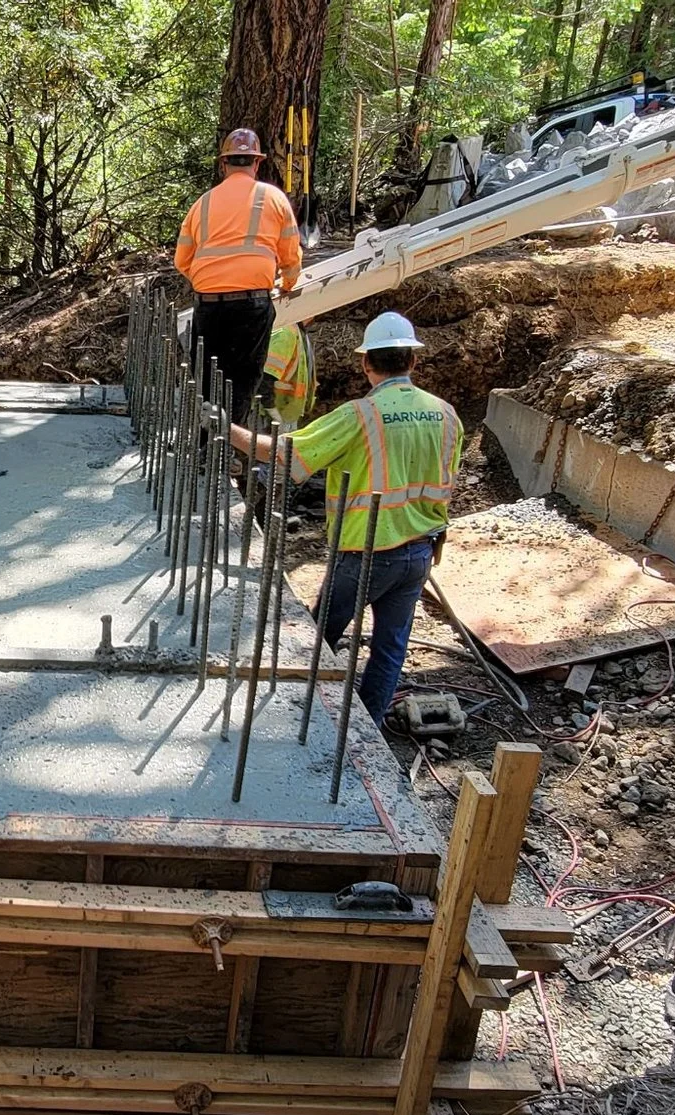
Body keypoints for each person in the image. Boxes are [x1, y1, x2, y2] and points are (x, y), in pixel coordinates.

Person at [227, 311, 459, 727]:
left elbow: (283, 453)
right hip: (421, 551)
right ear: (413, 361)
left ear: (366, 363)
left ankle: (302, 723)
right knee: (390, 647)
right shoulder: (446, 414)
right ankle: (365, 730)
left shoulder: (361, 416)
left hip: (364, 553)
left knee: (315, 642)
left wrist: (227, 430)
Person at [174, 128, 302, 424]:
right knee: (242, 380)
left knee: (207, 377)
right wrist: (288, 284)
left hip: (209, 304)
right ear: (257, 163)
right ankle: (227, 446)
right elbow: (291, 257)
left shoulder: (202, 204)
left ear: (224, 164)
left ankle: (207, 445)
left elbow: (181, 259)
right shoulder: (274, 198)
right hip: (252, 305)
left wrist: (209, 279)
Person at [263, 320, 314, 427]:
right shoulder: (286, 332)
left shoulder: (297, 332)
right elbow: (265, 377)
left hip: (285, 411)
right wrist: (271, 409)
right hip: (272, 414)